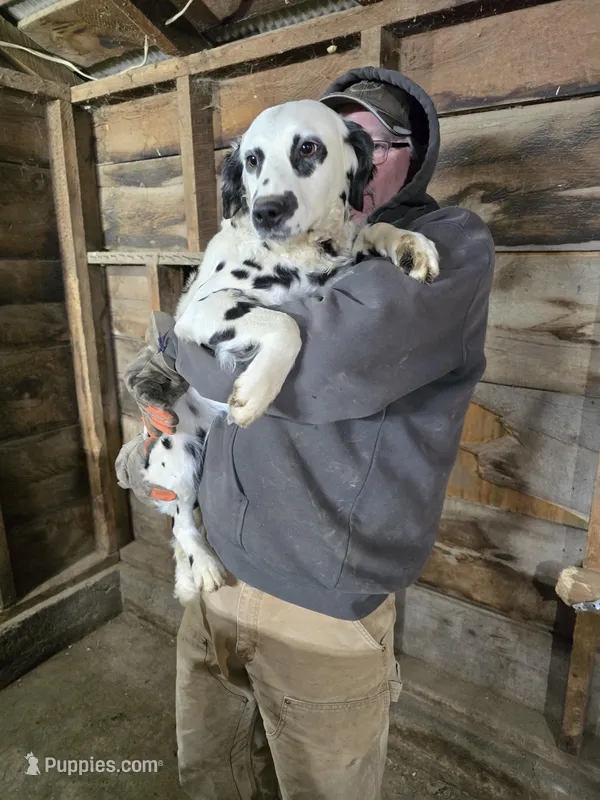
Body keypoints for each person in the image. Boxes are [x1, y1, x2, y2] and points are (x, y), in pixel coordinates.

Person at [117, 67, 494, 800]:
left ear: (400, 158)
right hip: (217, 568)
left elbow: (317, 373)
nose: (359, 154)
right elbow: (204, 345)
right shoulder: (299, 240)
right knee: (209, 774)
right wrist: (175, 372)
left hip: (321, 601)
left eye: (375, 141)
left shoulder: (449, 245)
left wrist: (186, 344)